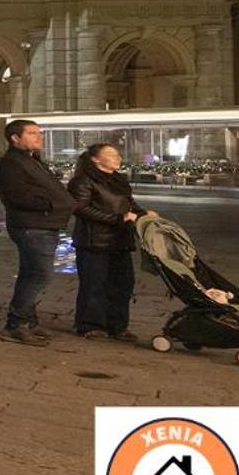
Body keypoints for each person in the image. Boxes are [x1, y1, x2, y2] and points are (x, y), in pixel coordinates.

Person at [0, 118, 75, 346]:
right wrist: (53, 203)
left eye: (39, 133)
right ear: (15, 138)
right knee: (40, 276)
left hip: (44, 224)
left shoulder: (33, 160)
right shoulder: (8, 163)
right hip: (32, 226)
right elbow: (16, 196)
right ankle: (15, 324)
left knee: (30, 274)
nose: (39, 137)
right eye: (32, 133)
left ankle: (29, 321)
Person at [68, 143, 149, 341]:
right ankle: (90, 325)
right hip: (94, 241)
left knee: (123, 284)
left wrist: (143, 214)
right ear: (96, 159)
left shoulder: (118, 180)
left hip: (120, 240)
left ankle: (117, 325)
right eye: (111, 154)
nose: (117, 157)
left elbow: (128, 204)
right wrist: (117, 219)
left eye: (117, 154)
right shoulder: (82, 181)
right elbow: (80, 208)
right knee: (94, 284)